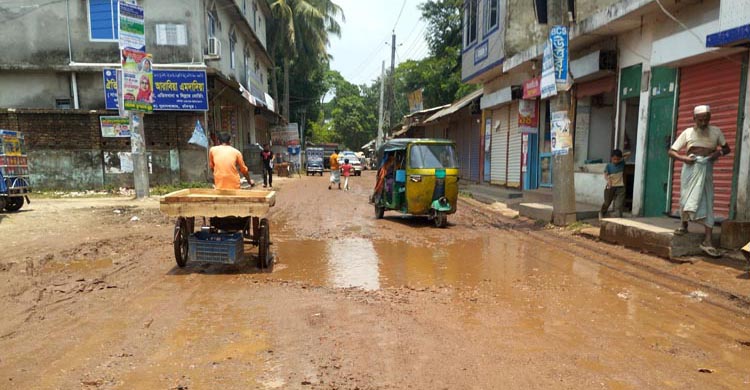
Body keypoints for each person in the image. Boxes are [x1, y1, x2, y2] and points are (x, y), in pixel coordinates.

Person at [668, 105, 730, 258]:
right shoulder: (687, 132)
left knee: (708, 201)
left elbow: (727, 148)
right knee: (686, 198)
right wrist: (684, 158)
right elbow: (671, 151)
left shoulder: (716, 131)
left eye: (706, 119)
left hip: (707, 168)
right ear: (694, 118)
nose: (703, 122)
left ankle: (708, 241)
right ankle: (684, 225)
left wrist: (718, 153)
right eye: (700, 120)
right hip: (690, 169)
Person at [599, 149, 631, 219]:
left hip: (620, 187)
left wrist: (620, 156)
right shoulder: (608, 166)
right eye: (614, 159)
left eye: (617, 159)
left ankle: (617, 217)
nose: (616, 161)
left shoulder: (622, 163)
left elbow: (629, 153)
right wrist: (608, 180)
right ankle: (602, 212)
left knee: (618, 204)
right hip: (610, 187)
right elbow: (605, 175)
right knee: (607, 203)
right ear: (611, 158)